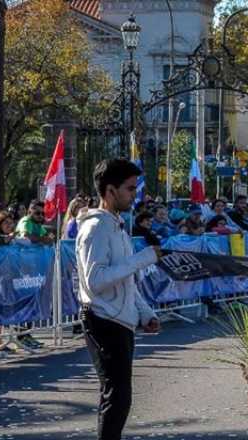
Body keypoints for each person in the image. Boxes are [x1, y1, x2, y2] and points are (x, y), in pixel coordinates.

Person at [77, 159, 162, 440]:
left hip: (120, 320)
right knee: (117, 396)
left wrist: (145, 312)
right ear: (110, 190)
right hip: (102, 319)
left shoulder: (117, 226)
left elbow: (126, 280)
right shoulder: (96, 228)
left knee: (119, 397)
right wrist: (143, 258)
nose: (134, 195)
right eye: (130, 189)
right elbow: (96, 280)